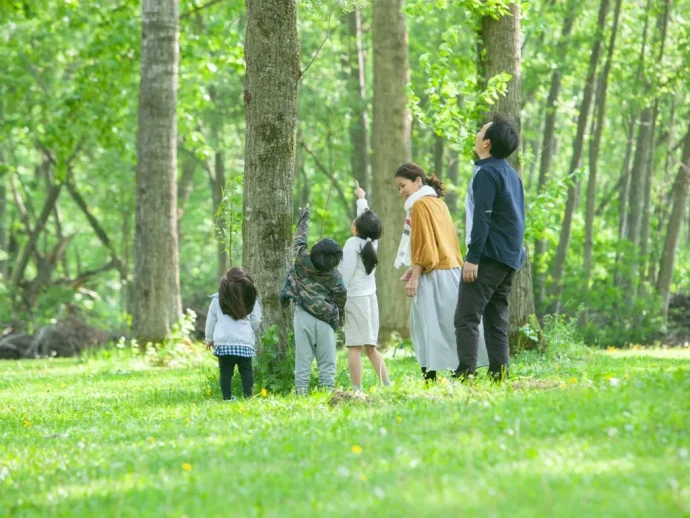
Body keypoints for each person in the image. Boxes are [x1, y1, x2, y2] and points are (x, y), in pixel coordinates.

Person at [394, 163, 488, 381]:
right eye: (398, 188)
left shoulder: (419, 206)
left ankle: (431, 375)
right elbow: (436, 244)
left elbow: (425, 248)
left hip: (433, 275)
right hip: (452, 271)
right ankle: (464, 368)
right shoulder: (438, 203)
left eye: (403, 185)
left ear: (418, 180)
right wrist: (414, 268)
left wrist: (415, 276)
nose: (401, 192)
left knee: (429, 327)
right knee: (451, 324)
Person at [455, 115, 524, 381]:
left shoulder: (486, 173)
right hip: (509, 257)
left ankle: (465, 375)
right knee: (496, 318)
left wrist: (473, 258)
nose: (476, 132)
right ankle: (500, 375)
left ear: (486, 143)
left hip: (489, 255)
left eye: (480, 131)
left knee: (466, 317)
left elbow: (483, 217)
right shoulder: (510, 173)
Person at [280, 205, 347, 395]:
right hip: (326, 320)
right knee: (327, 362)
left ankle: (301, 394)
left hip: (303, 317)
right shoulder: (335, 276)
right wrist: (339, 317)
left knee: (302, 361)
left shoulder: (302, 260)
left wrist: (305, 216)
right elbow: (341, 296)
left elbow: (299, 240)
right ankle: (328, 394)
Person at [339, 181, 390, 392]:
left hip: (355, 298)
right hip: (370, 298)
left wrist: (336, 293)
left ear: (356, 228)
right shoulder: (371, 242)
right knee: (370, 347)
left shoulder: (352, 245)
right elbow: (368, 217)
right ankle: (386, 383)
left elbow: (345, 274)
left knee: (353, 347)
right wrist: (361, 198)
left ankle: (357, 388)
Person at [205, 267, 262, 401]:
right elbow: (256, 320)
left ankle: (227, 398)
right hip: (244, 341)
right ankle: (248, 397)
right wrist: (249, 330)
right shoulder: (251, 299)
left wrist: (209, 339)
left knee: (225, 372)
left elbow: (211, 320)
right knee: (246, 371)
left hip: (224, 342)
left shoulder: (217, 299)